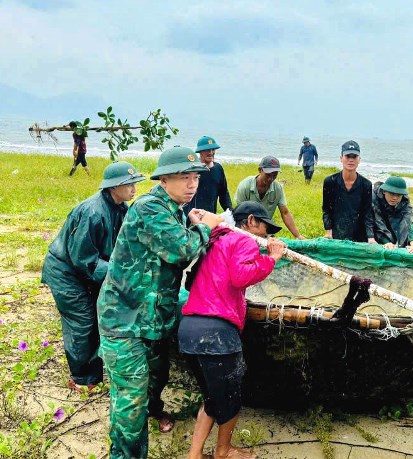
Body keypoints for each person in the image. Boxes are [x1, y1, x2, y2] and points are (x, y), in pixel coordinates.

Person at [97, 146, 223, 459]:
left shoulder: (174, 209)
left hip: (151, 321)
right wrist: (209, 225)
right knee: (130, 404)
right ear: (163, 180)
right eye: (184, 177)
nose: (192, 184)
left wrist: (192, 223)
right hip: (124, 321)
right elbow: (181, 249)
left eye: (195, 177)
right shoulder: (148, 208)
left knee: (156, 380)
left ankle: (151, 416)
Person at [179, 201, 286, 459]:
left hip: (189, 328)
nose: (266, 235)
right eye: (264, 227)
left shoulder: (213, 238)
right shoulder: (244, 240)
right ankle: (224, 451)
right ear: (250, 221)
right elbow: (240, 276)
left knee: (211, 399)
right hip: (217, 332)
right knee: (231, 398)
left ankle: (195, 455)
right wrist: (271, 259)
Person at [42, 162, 146, 393]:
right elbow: (83, 259)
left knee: (99, 316)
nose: (133, 188)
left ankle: (93, 372)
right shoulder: (93, 212)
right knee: (83, 321)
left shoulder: (120, 208)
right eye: (128, 184)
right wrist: (119, 273)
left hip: (84, 270)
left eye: (134, 182)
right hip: (65, 272)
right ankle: (82, 379)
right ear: (113, 187)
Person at [235, 156, 305, 239]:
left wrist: (297, 235)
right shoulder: (245, 186)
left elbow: (285, 213)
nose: (271, 179)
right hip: (246, 229)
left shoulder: (277, 188)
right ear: (260, 170)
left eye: (274, 175)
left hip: (265, 230)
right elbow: (240, 215)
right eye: (268, 175)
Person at [322, 140, 375, 243]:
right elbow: (326, 209)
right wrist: (328, 231)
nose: (351, 160)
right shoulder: (330, 181)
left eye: (354, 157)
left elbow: (367, 213)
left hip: (359, 234)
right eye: (347, 156)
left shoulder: (366, 184)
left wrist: (371, 237)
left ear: (359, 159)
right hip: (336, 233)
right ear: (341, 158)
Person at [184, 135, 233, 218]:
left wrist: (231, 213)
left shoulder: (218, 168)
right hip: (192, 215)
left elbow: (224, 194)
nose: (211, 152)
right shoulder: (193, 169)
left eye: (213, 149)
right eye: (207, 150)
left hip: (210, 215)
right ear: (200, 152)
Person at [371, 176, 413, 253]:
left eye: (398, 195)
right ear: (384, 191)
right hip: (371, 229)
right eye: (392, 194)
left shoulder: (405, 201)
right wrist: (386, 242)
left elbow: (408, 222)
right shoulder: (373, 199)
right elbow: (377, 222)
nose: (395, 198)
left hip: (391, 222)